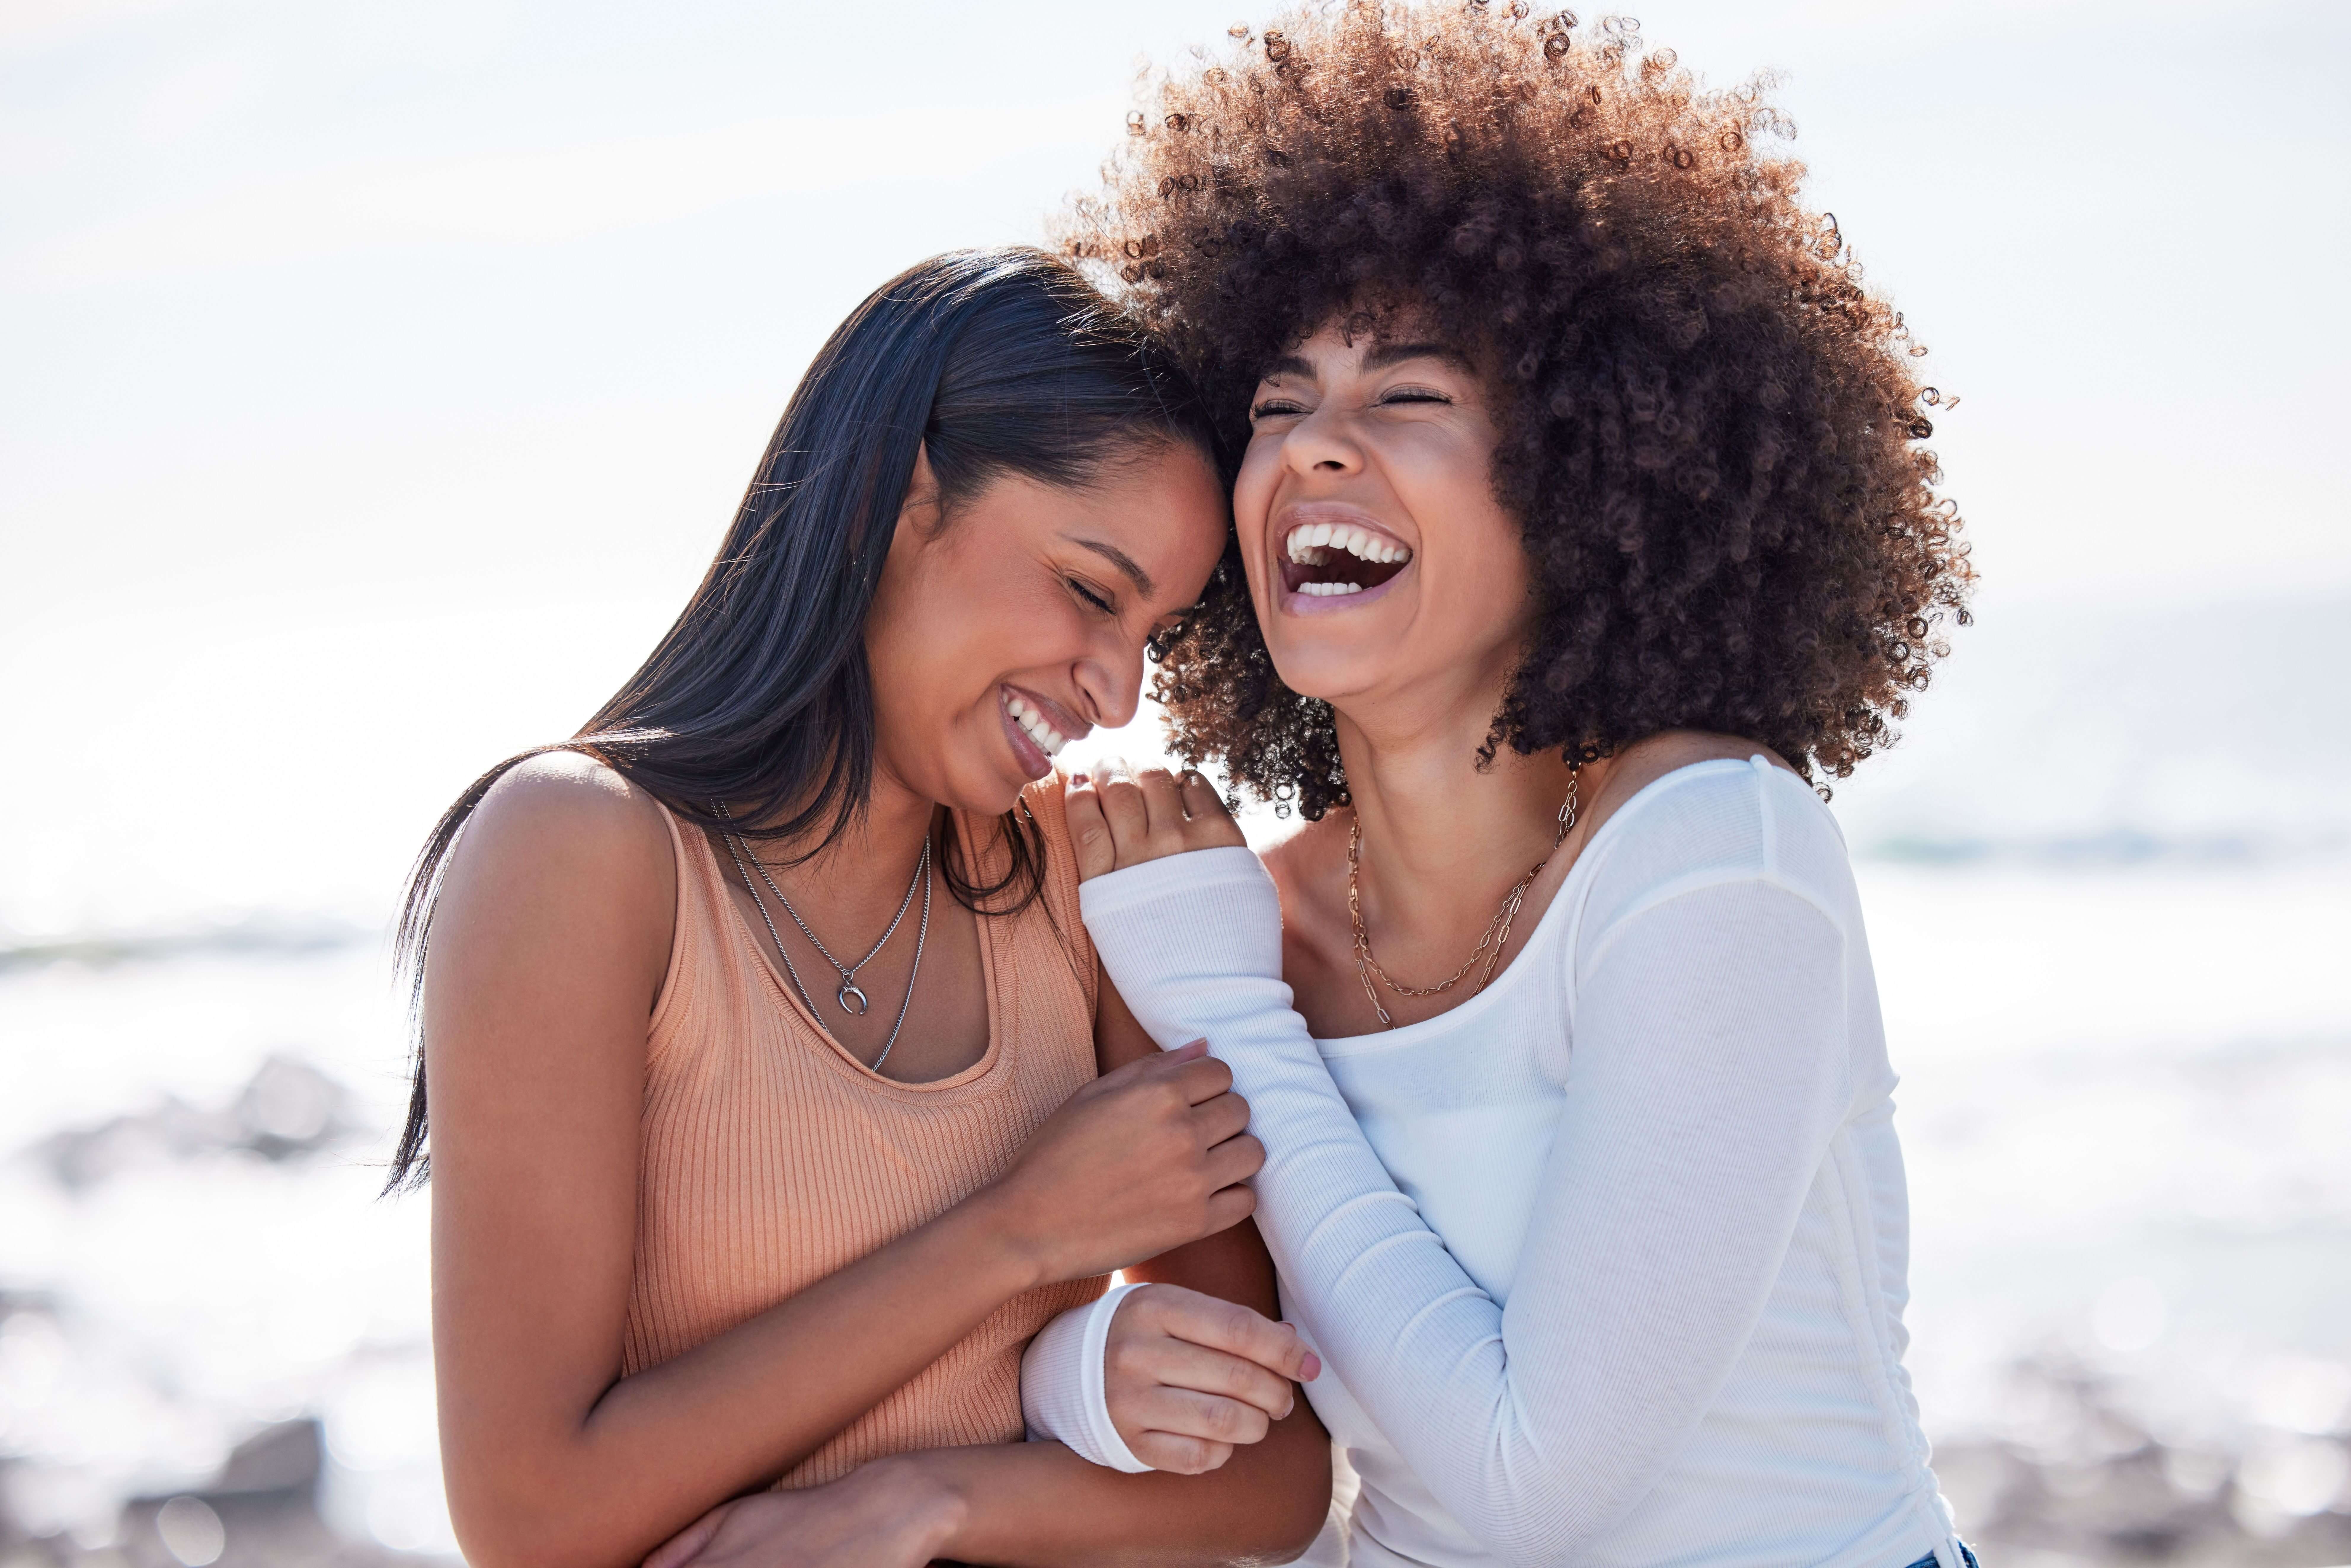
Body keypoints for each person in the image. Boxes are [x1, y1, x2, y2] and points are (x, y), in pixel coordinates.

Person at [1024, 7, 1981, 1567]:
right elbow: (1244, 1429)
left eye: (1407, 397)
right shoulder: (1231, 918)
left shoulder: (1713, 853)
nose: (1314, 448)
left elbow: (1532, 1483)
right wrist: (1072, 1374)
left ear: (1592, 476)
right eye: (1275, 403)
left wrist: (1231, 1012)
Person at [385, 248, 1332, 1568]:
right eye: (1089, 591)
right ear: (898, 498)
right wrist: (1013, 1234)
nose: (1118, 692)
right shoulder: (581, 853)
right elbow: (529, 1517)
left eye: (1154, 635)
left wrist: (923, 1503)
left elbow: (1277, 1468)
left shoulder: (1086, 883)